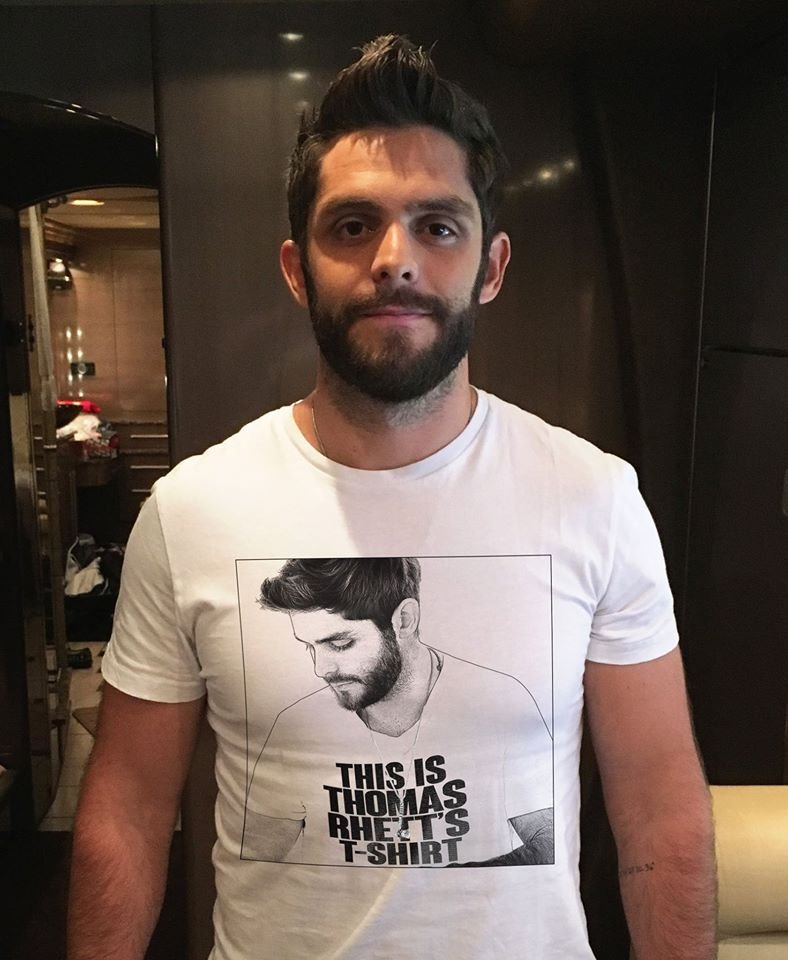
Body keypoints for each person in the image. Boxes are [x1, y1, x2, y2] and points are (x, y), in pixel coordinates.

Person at [69, 34, 716, 960]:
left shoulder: (594, 498)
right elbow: (128, 810)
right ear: (298, 269)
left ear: (491, 267)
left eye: (438, 226)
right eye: (351, 225)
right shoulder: (191, 511)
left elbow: (658, 807)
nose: (394, 259)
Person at [243, 557, 554, 868]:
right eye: (309, 647)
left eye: (340, 644)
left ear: (404, 620)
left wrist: (456, 882)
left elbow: (550, 839)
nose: (321, 669)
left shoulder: (497, 699)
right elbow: (256, 856)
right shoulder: (298, 721)